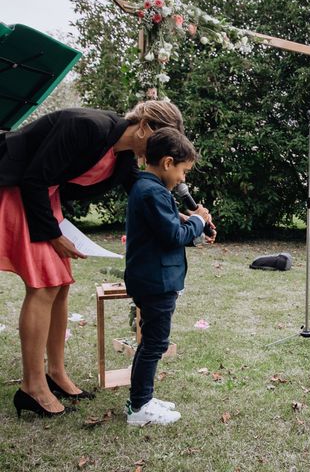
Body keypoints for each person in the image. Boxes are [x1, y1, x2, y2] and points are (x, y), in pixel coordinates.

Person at [0, 101, 185, 417]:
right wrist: (53, 234)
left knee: (60, 285)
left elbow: (143, 191)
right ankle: (32, 386)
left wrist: (182, 215)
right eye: (158, 137)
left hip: (45, 198)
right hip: (18, 189)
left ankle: (55, 373)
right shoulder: (87, 126)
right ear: (143, 126)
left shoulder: (123, 157)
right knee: (44, 286)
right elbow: (34, 177)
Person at [123, 128, 210, 426]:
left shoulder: (150, 189)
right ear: (168, 162)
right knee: (155, 343)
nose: (183, 179)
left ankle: (141, 398)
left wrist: (193, 224)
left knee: (150, 341)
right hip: (155, 281)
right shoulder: (152, 192)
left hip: (153, 278)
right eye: (183, 171)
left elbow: (169, 227)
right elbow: (173, 235)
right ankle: (140, 407)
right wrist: (198, 219)